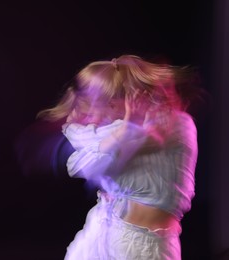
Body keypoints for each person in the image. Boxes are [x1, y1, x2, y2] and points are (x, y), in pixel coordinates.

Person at [36, 55, 198, 259]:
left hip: (143, 246)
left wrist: (127, 129)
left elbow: (84, 151)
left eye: (104, 106)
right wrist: (125, 130)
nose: (100, 117)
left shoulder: (174, 124)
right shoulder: (126, 130)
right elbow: (80, 165)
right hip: (104, 230)